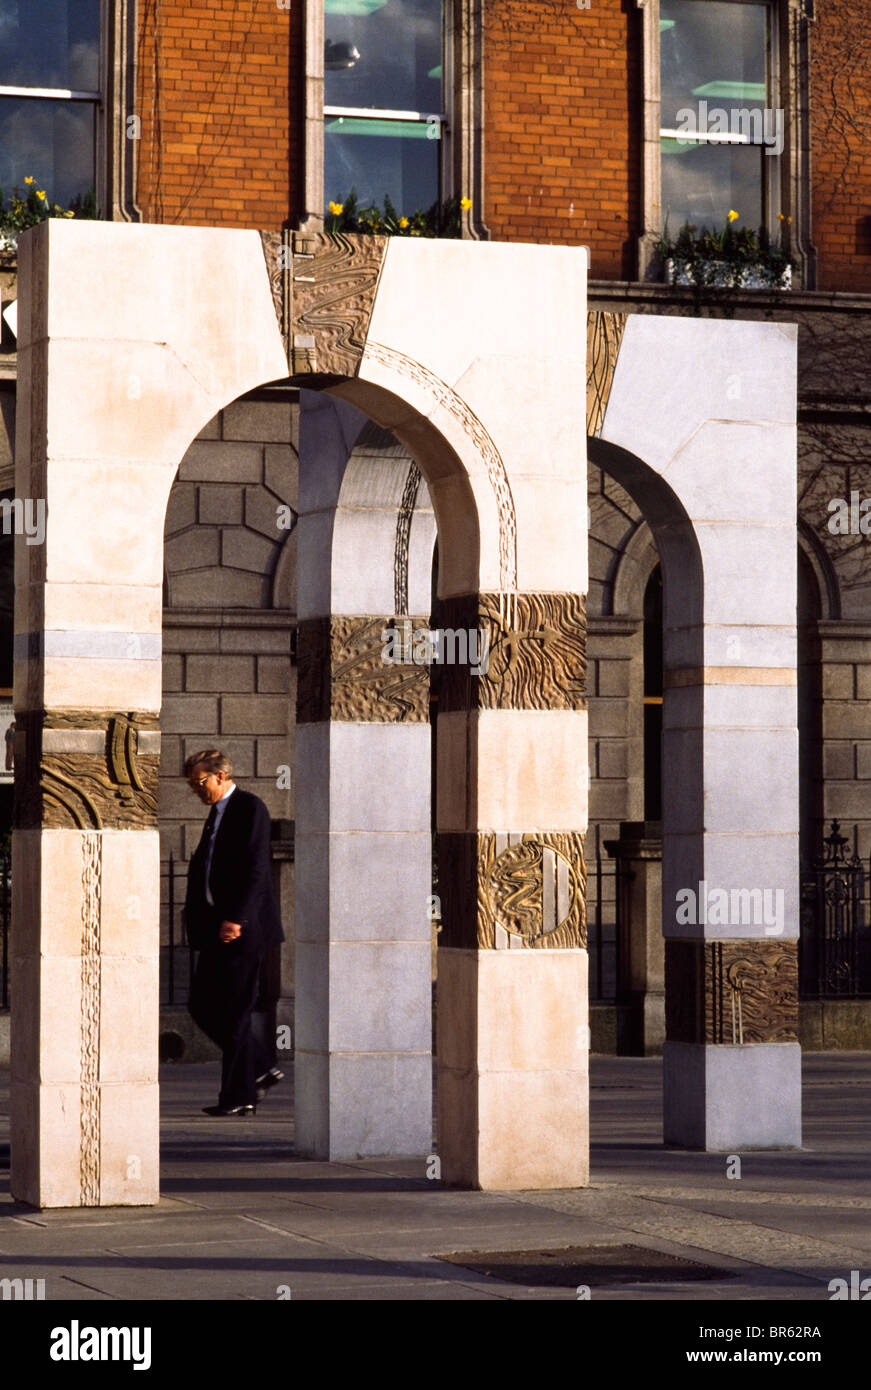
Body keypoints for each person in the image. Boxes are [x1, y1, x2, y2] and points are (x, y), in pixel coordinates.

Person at [183, 749, 285, 1116]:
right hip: (216, 929)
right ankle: (258, 1067)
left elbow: (257, 869)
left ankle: (239, 1096)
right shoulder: (216, 814)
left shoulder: (249, 808)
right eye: (193, 784)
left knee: (237, 1010)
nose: (197, 790)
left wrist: (237, 919)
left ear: (221, 775)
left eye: (201, 782)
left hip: (243, 930)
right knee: (203, 1005)